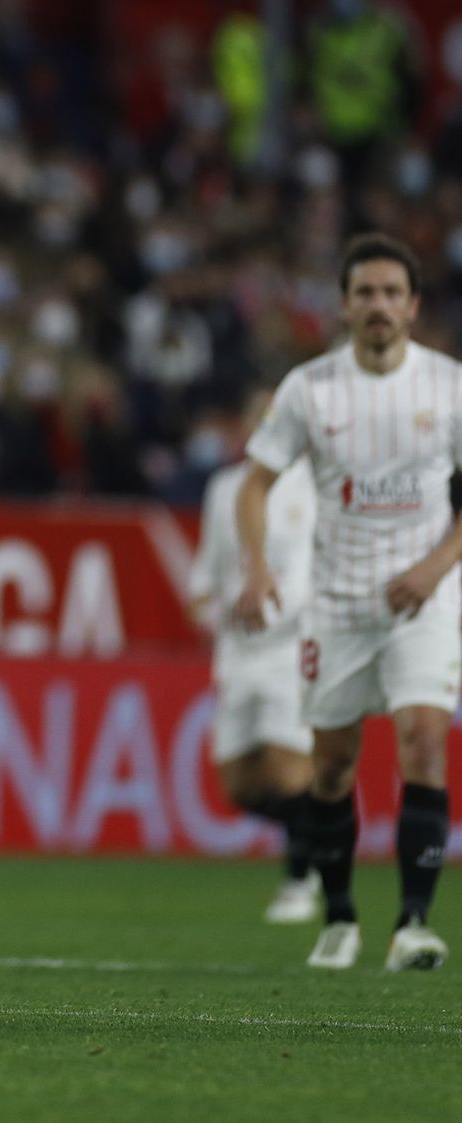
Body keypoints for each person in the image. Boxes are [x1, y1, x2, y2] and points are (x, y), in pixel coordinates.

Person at [236, 232, 459, 971]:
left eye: (392, 293)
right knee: (331, 767)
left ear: (413, 306)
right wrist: (258, 569)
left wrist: (434, 568)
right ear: (344, 305)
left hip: (421, 600)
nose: (379, 306)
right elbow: (255, 482)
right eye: (365, 293)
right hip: (336, 603)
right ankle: (339, 915)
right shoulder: (311, 388)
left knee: (425, 740)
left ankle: (414, 925)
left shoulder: (448, 385)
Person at [187, 389, 318, 923]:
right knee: (238, 784)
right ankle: (325, 825)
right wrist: (209, 612)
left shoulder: (314, 488)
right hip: (236, 651)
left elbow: (319, 573)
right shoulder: (224, 489)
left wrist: (283, 612)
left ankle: (301, 882)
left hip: (292, 648)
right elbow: (208, 573)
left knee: (289, 772)